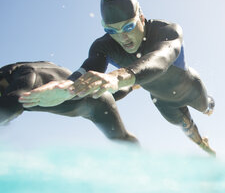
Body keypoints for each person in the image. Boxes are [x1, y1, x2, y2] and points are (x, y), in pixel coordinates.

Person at [18, 0, 216, 156]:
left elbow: (160, 60)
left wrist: (116, 78)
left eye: (129, 26)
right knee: (187, 128)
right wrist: (68, 86)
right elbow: (89, 67)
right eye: (112, 30)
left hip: (190, 88)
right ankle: (205, 147)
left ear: (141, 17)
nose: (123, 37)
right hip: (161, 100)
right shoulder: (104, 45)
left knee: (208, 109)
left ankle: (208, 105)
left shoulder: (166, 31)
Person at [0, 61, 138, 143]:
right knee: (105, 93)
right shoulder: (23, 69)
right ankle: (134, 85)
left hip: (97, 104)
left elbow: (12, 103)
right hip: (87, 95)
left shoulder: (26, 75)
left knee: (121, 140)